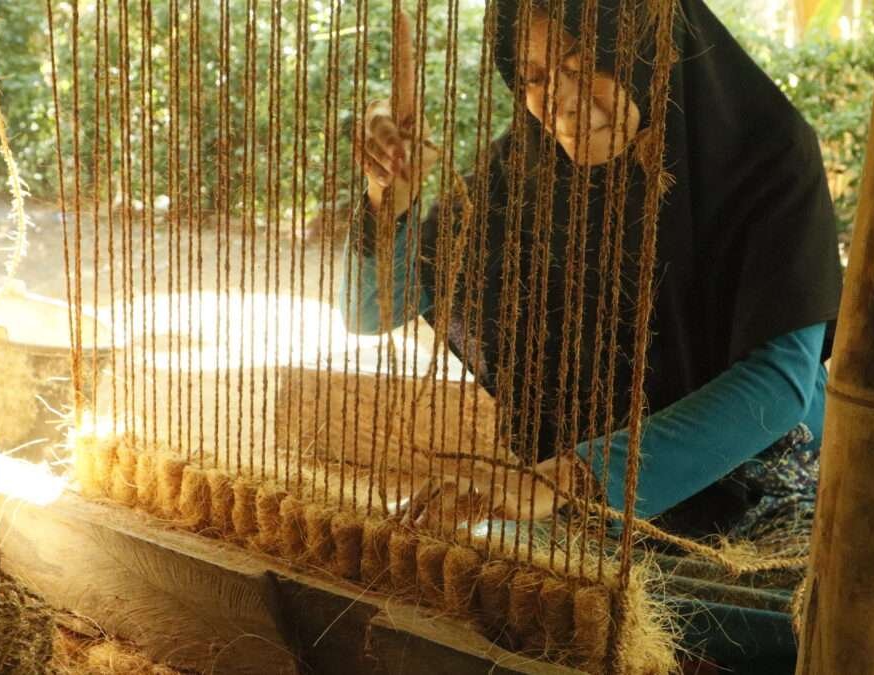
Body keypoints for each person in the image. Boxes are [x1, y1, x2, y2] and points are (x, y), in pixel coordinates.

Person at [346, 0, 840, 537]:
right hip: (583, 491)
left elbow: (778, 383)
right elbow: (373, 310)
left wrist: (570, 478)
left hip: (755, 489)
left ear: (650, 51)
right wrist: (387, 199)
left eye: (583, 67)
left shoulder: (766, 153)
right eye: (534, 78)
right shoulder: (522, 169)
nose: (561, 104)